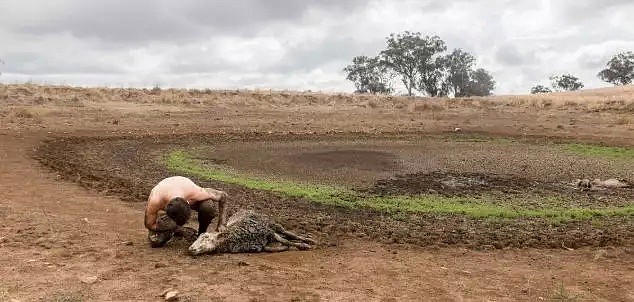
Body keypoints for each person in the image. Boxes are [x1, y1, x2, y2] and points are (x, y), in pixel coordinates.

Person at [144, 176, 228, 248]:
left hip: (185, 189)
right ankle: (173, 232)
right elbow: (149, 225)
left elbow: (223, 196)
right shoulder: (155, 200)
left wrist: (222, 223)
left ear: (188, 203)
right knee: (156, 241)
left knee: (208, 207)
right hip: (166, 202)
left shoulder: (195, 193)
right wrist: (180, 229)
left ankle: (201, 233)